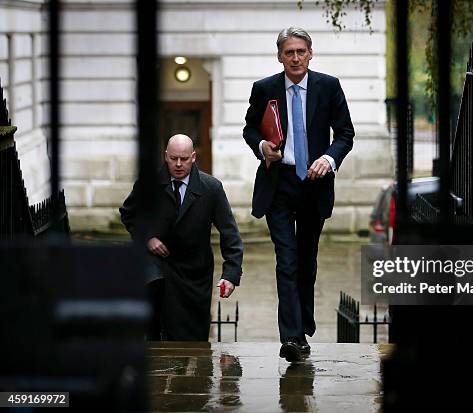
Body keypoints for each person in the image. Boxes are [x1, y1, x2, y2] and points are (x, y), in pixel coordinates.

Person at [243, 27, 354, 361]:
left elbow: (346, 133)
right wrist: (262, 146)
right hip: (279, 183)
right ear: (280, 56)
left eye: (300, 51)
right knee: (286, 261)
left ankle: (302, 324)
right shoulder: (265, 89)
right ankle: (292, 337)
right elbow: (249, 128)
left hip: (314, 183)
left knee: (307, 260)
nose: (295, 57)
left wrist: (328, 158)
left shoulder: (329, 86)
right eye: (288, 52)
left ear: (310, 53)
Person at [120, 134, 243, 341]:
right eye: (173, 158)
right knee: (156, 325)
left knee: (192, 335)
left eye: (184, 159)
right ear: (165, 156)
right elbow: (129, 214)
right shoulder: (148, 185)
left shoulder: (211, 188)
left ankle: (194, 371)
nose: (178, 164)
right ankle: (157, 367)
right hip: (159, 265)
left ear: (193, 157)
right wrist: (148, 238)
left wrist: (231, 274)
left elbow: (229, 233)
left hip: (194, 271)